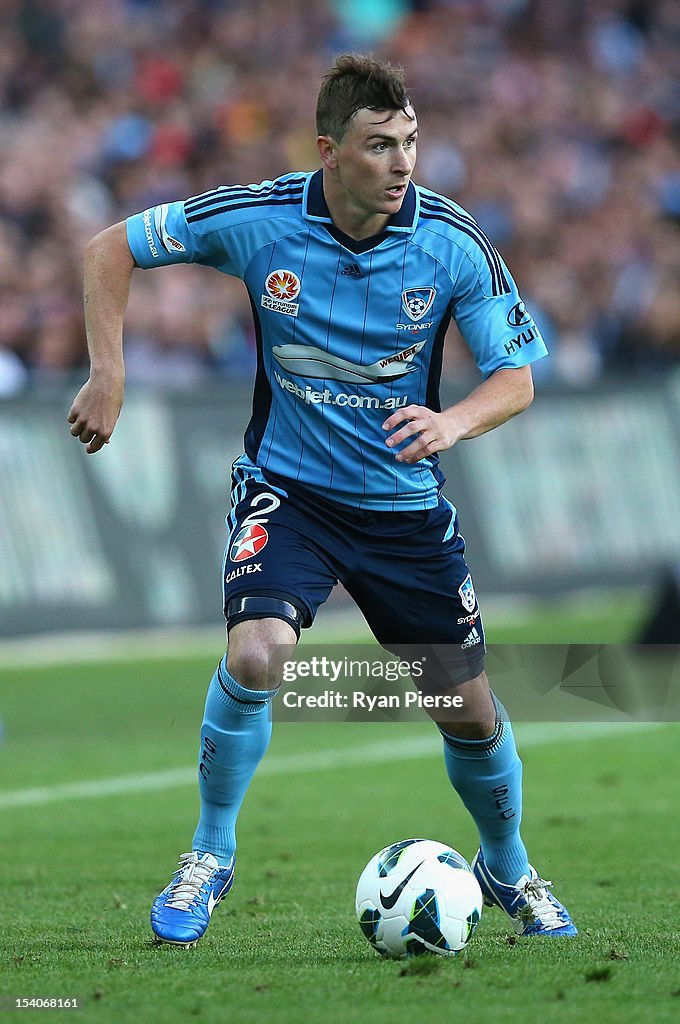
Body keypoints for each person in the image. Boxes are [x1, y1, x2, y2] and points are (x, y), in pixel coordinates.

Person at [68, 53, 576, 947]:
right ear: (330, 150)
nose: (404, 162)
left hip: (405, 510)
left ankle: (509, 864)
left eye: (411, 141)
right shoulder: (258, 219)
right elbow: (110, 247)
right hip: (290, 493)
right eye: (381, 145)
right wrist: (110, 371)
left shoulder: (453, 240)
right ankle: (210, 853)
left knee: (469, 709)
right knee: (259, 656)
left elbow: (518, 377)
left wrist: (454, 424)